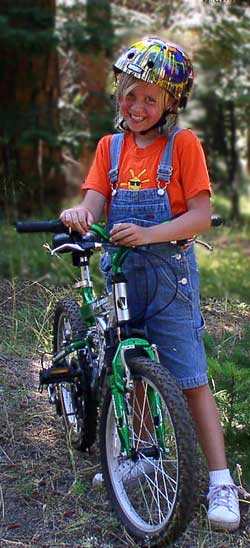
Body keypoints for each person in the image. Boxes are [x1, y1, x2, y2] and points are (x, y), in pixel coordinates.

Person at [60, 37, 240, 531]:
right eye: (129, 93)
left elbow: (200, 215)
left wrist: (150, 233)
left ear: (170, 105)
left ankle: (221, 479)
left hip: (169, 276)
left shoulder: (182, 145)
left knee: (190, 376)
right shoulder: (109, 147)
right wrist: (80, 212)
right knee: (129, 363)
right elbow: (94, 203)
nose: (136, 106)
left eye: (149, 99)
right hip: (121, 271)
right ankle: (143, 452)